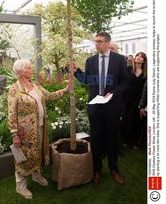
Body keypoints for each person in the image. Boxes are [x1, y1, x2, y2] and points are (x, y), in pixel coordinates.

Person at [73, 31, 129, 185]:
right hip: (95, 107)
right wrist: (77, 72)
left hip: (112, 107)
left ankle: (114, 169)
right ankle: (96, 170)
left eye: (99, 41)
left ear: (107, 42)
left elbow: (125, 82)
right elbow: (88, 80)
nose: (96, 44)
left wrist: (113, 93)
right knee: (96, 140)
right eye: (95, 41)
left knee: (112, 139)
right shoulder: (90, 60)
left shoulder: (119, 60)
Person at [8, 59, 69, 199]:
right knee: (22, 158)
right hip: (24, 132)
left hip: (40, 127)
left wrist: (65, 90)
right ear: (21, 71)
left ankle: (36, 175)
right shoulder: (14, 90)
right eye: (29, 68)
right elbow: (12, 113)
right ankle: (20, 186)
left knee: (37, 153)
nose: (32, 70)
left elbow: (49, 96)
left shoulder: (35, 85)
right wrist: (14, 134)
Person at [122, 52, 147, 149]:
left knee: (136, 120)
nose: (139, 58)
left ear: (144, 60)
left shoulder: (146, 73)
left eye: (142, 57)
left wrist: (143, 104)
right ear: (135, 58)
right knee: (126, 119)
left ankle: (136, 141)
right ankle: (126, 140)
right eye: (138, 56)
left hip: (139, 99)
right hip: (127, 98)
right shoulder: (128, 69)